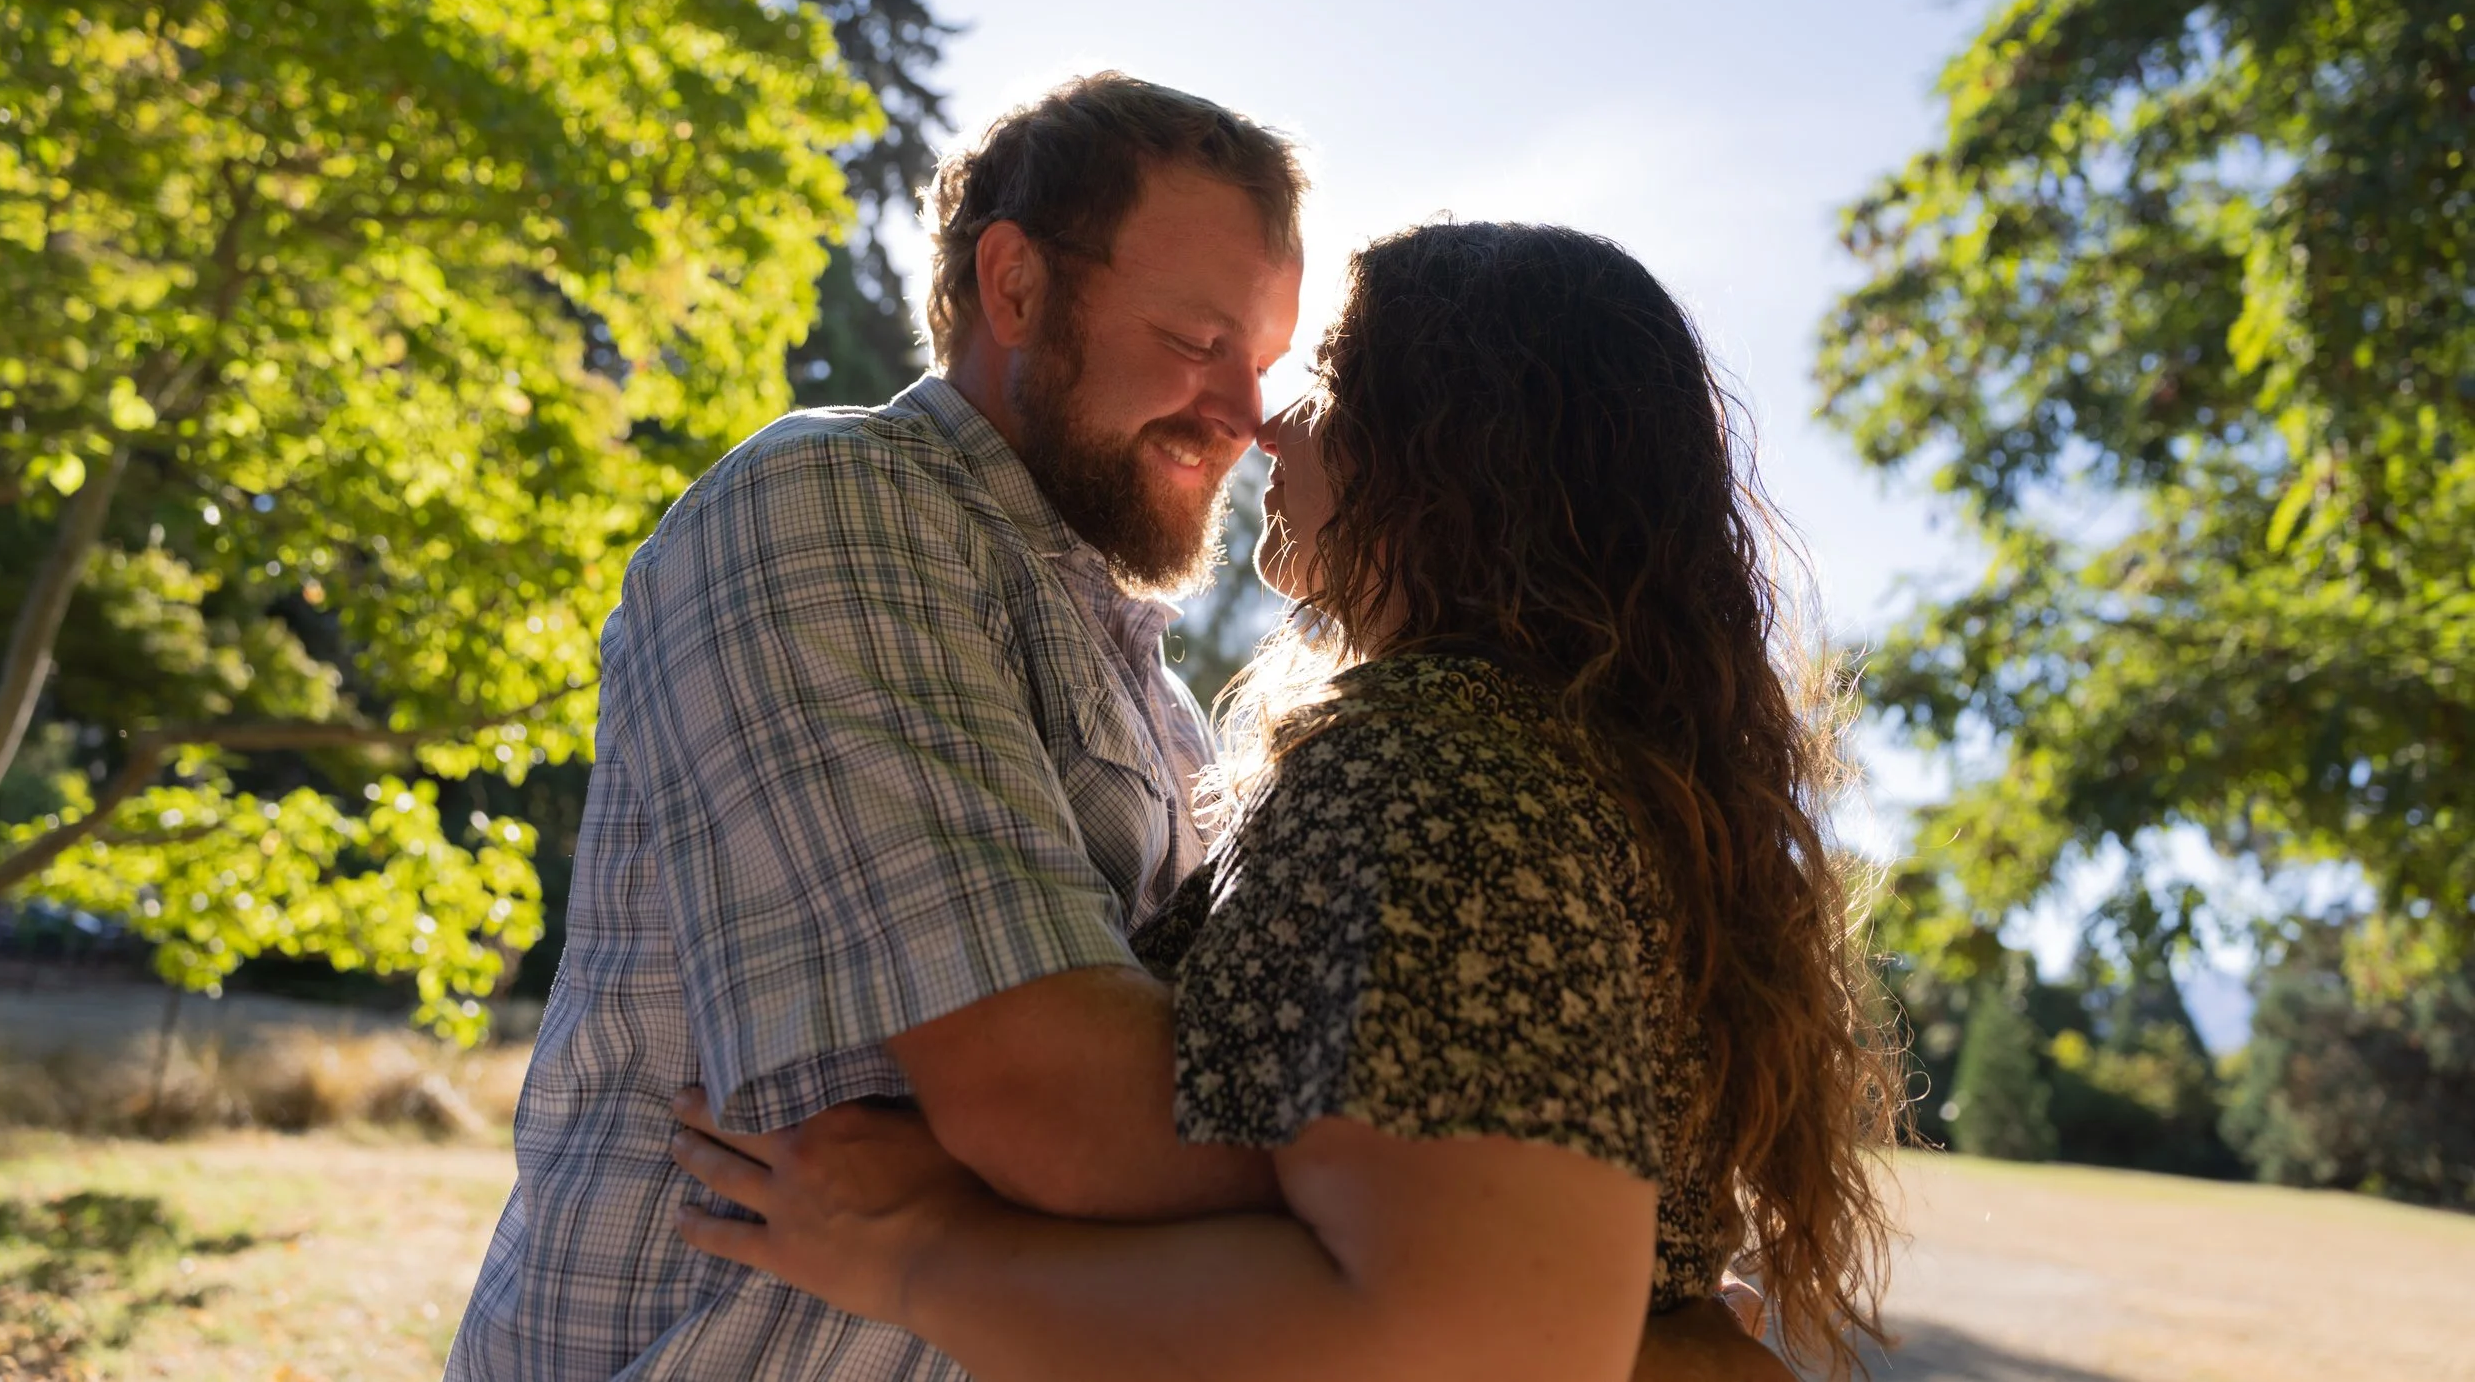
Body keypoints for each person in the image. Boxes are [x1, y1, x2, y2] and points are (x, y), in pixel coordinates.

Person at [664, 222, 1902, 1380]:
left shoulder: (1441, 768)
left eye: (1330, 380)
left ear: (1450, 449)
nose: (1268, 425)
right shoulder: (1557, 764)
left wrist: (917, 1248)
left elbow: (1487, 1335)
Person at [445, 72, 1310, 1380]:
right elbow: (1060, 1108)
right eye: (1199, 339)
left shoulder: (1170, 711)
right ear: (1014, 285)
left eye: (1262, 361)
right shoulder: (834, 499)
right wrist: (1438, 1190)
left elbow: (1153, 1136)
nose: (1245, 415)